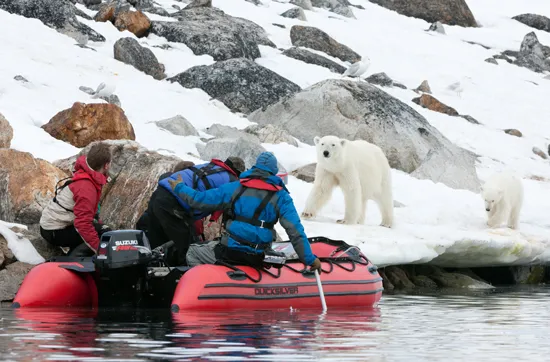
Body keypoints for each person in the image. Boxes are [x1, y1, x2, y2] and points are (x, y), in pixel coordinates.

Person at [166, 152, 321, 272]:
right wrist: (310, 259)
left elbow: (199, 200)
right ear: (273, 172)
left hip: (230, 252)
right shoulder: (282, 197)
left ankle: (211, 282)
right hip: (259, 257)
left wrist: (179, 187)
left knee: (192, 252)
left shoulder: (235, 187)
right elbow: (295, 231)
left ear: (255, 168)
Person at [147, 157, 246, 265]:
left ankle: (148, 275)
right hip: (175, 203)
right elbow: (228, 209)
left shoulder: (210, 167)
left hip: (160, 193)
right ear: (239, 173)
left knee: (156, 242)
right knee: (189, 248)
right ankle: (183, 278)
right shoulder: (232, 181)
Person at [39, 142, 113, 256]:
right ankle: (73, 256)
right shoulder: (87, 188)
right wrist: (101, 252)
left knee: (101, 229)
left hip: (50, 225)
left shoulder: (86, 175)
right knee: (104, 235)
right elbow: (83, 224)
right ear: (106, 165)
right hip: (53, 231)